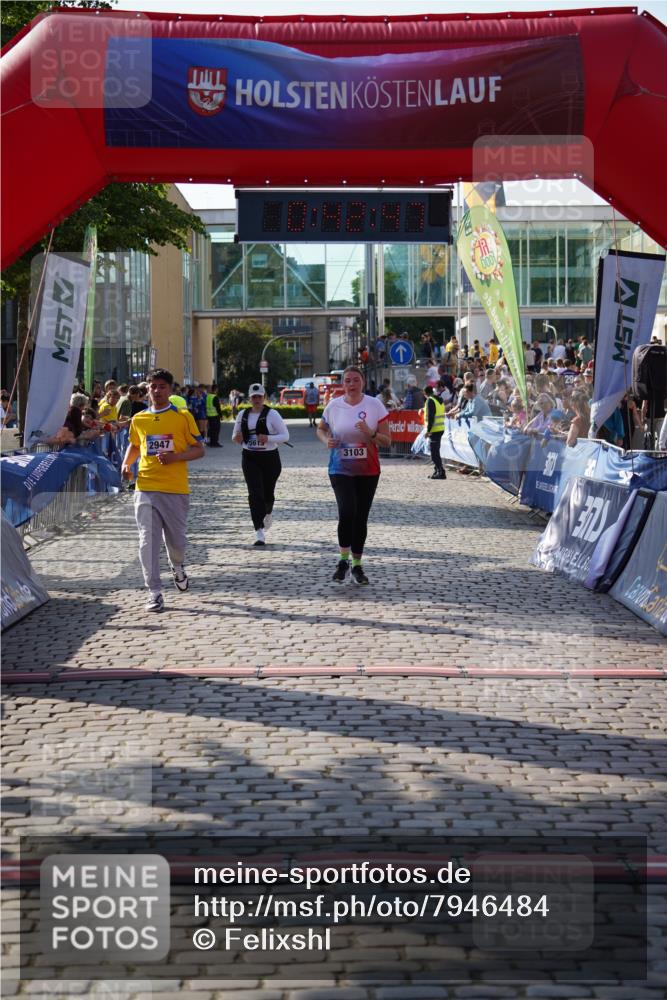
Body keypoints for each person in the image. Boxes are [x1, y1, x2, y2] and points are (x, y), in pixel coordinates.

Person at [121, 368, 204, 613]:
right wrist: (126, 464)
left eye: (161, 387)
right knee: (148, 540)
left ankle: (177, 566)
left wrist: (176, 457)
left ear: (170, 389)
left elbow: (199, 449)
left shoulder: (182, 416)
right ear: (147, 388)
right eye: (152, 386)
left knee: (177, 542)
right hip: (146, 486)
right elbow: (135, 446)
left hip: (175, 489)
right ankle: (154, 592)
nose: (156, 391)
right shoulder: (139, 419)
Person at [317, 365, 391, 585]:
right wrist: (325, 441)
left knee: (360, 517)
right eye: (347, 380)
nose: (351, 384)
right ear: (342, 384)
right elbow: (321, 429)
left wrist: (371, 433)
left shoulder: (374, 405)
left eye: (355, 380)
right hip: (340, 468)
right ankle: (342, 560)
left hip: (368, 470)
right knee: (347, 510)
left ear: (363, 382)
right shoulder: (334, 406)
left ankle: (357, 565)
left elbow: (387, 440)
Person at [232, 383, 290, 546]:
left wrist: (268, 438)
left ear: (264, 397)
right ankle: (259, 531)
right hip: (250, 457)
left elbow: (285, 436)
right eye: (253, 397)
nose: (256, 399)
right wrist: (237, 438)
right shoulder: (242, 414)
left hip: (270, 458)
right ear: (249, 398)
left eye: (259, 396)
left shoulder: (273, 414)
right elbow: (234, 435)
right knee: (254, 493)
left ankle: (268, 512)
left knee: (268, 493)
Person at [423, 386, 446, 480]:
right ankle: (437, 470)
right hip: (440, 428)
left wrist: (428, 431)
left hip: (434, 430)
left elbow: (431, 417)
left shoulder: (430, 400)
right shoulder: (439, 399)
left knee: (434, 453)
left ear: (425, 393)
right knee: (435, 452)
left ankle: (441, 472)